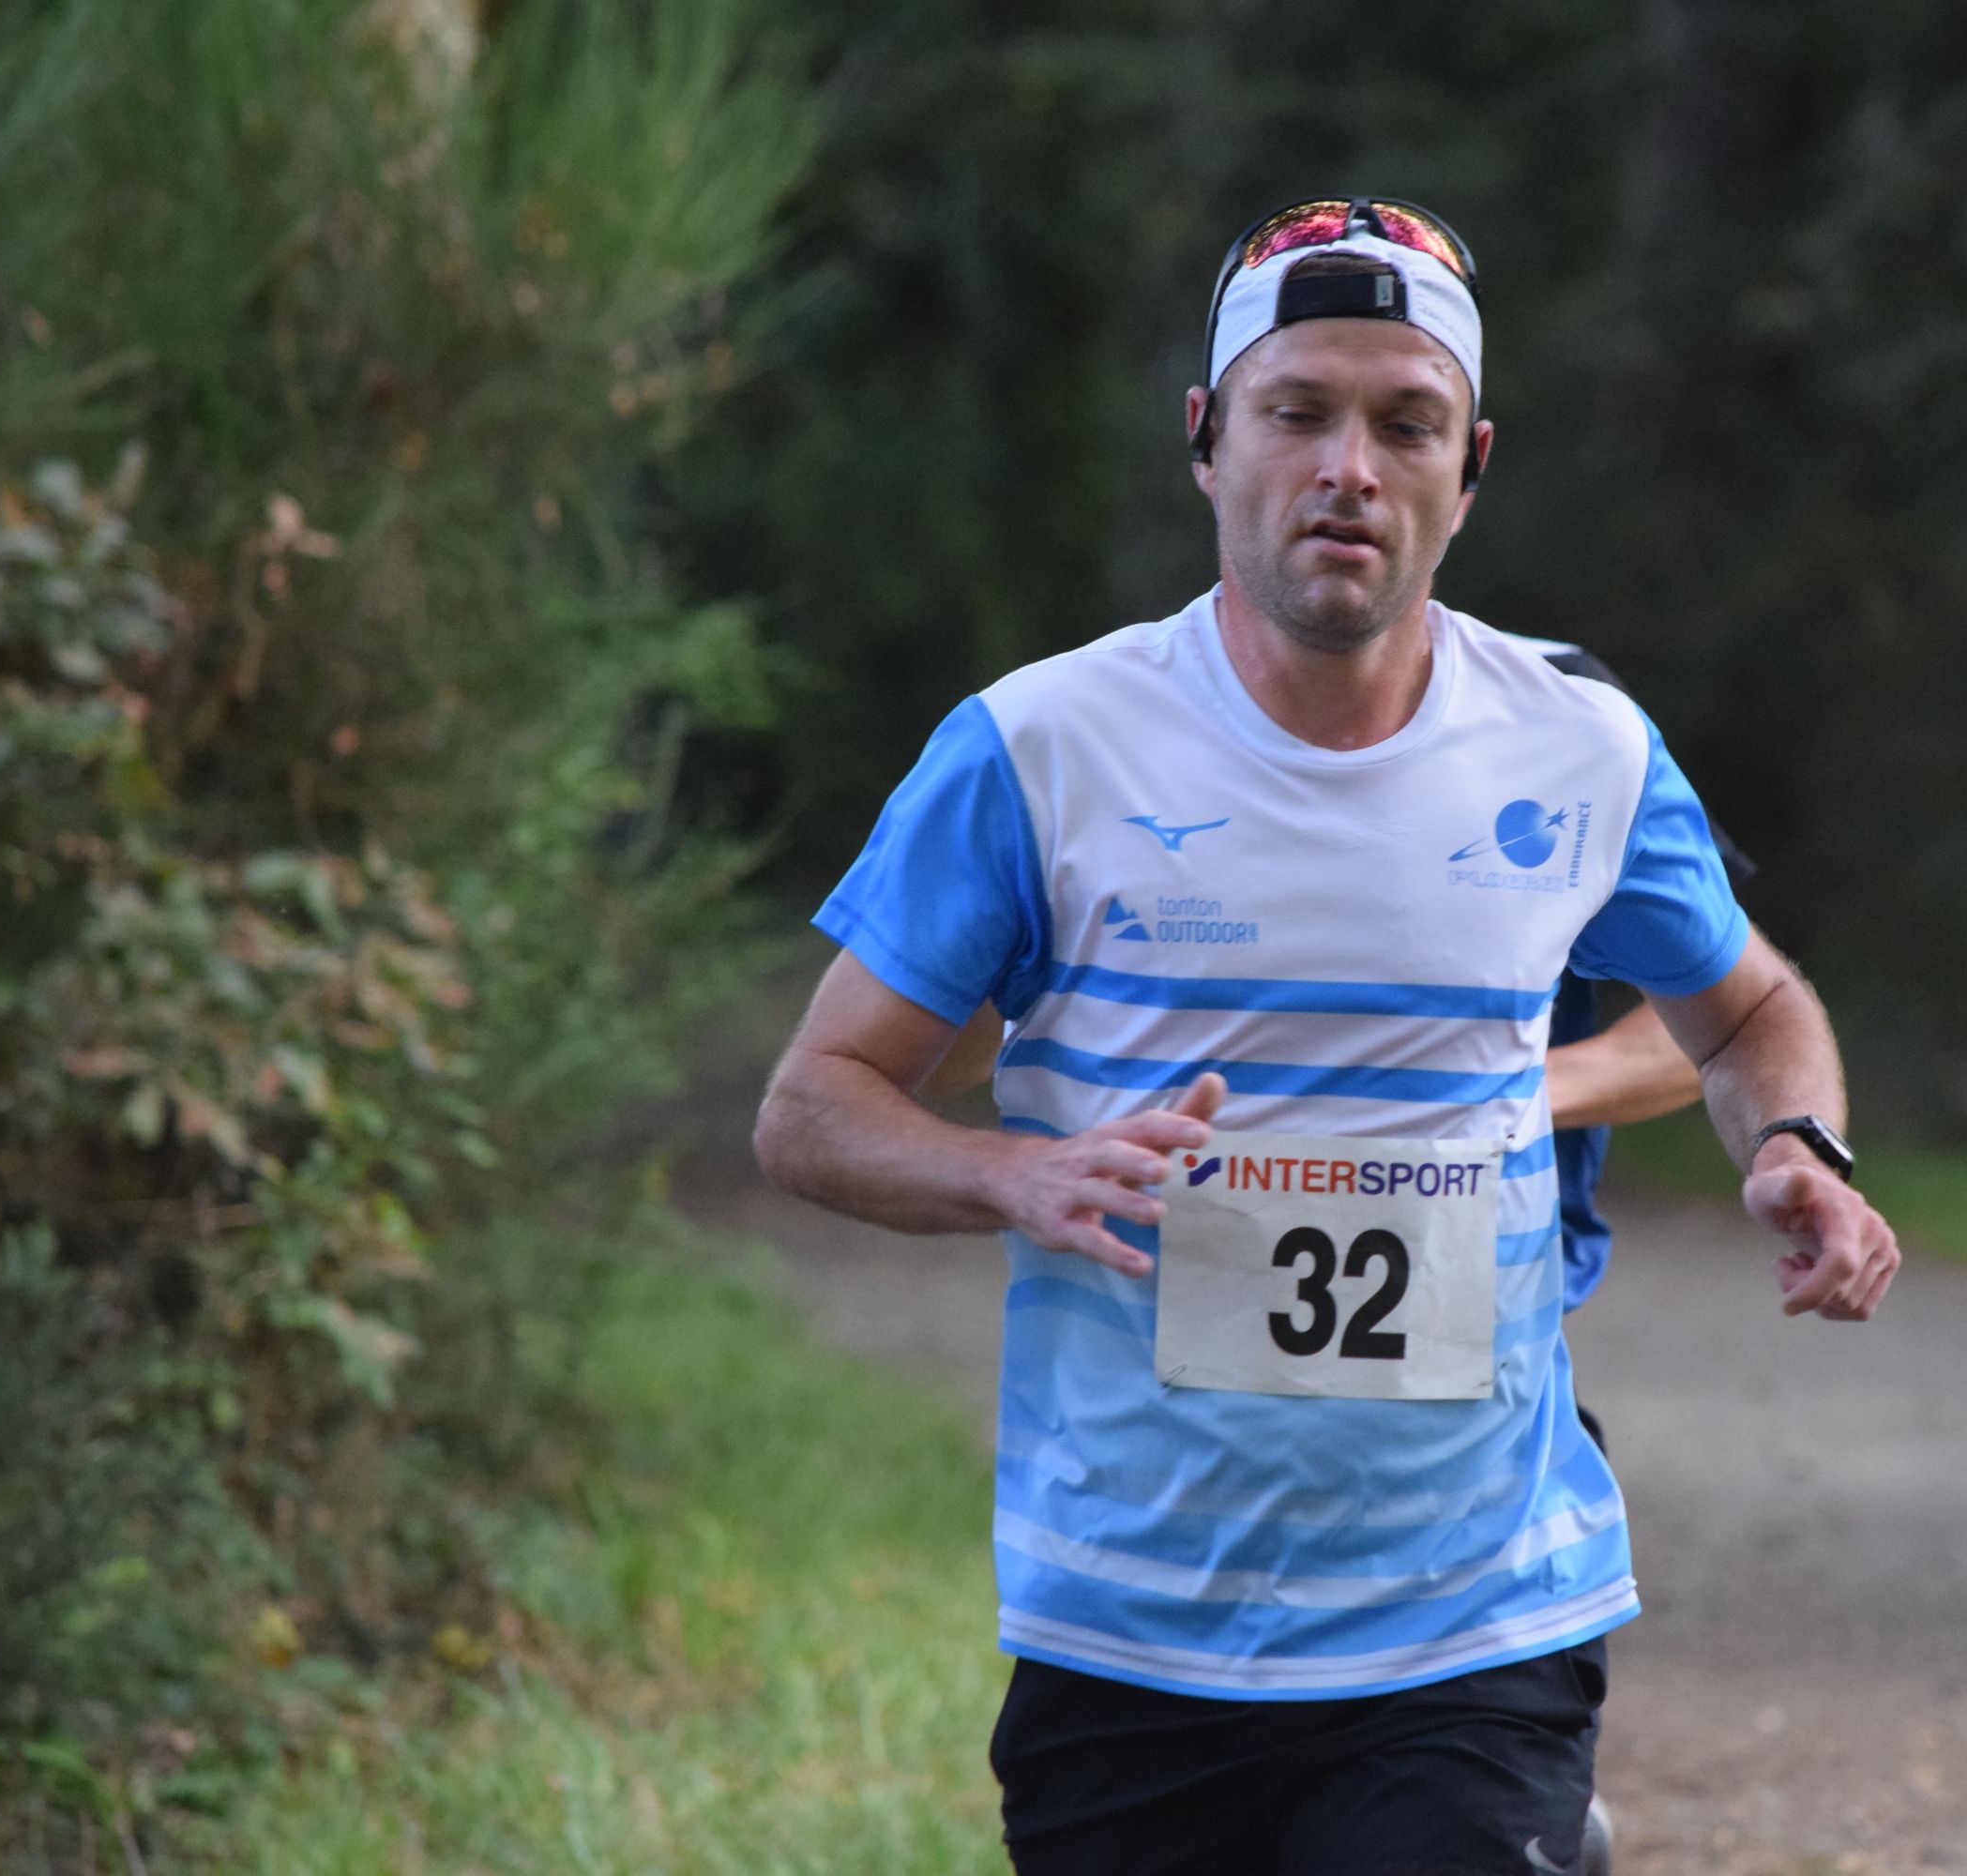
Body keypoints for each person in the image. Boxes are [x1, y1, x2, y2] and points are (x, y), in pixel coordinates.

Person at [752, 196, 1901, 1876]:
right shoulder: (1039, 747)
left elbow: (1752, 1012)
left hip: (1474, 1617)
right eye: (1297, 413)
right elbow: (812, 1106)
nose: (1349, 468)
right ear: (1207, 442)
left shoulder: (1581, 749)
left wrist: (1798, 1142)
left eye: (1406, 424)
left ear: (1471, 468)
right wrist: (1011, 1173)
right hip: (1130, 1621)